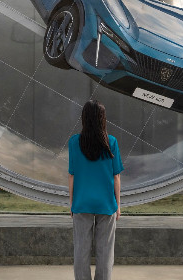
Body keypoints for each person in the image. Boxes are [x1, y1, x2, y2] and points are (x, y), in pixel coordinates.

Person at [68, 99, 123, 280]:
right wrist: (118, 205)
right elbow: (116, 177)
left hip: (82, 202)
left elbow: (72, 175)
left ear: (84, 118)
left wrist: (71, 204)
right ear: (102, 118)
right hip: (106, 203)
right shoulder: (111, 142)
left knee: (81, 251)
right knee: (105, 252)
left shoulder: (74, 142)